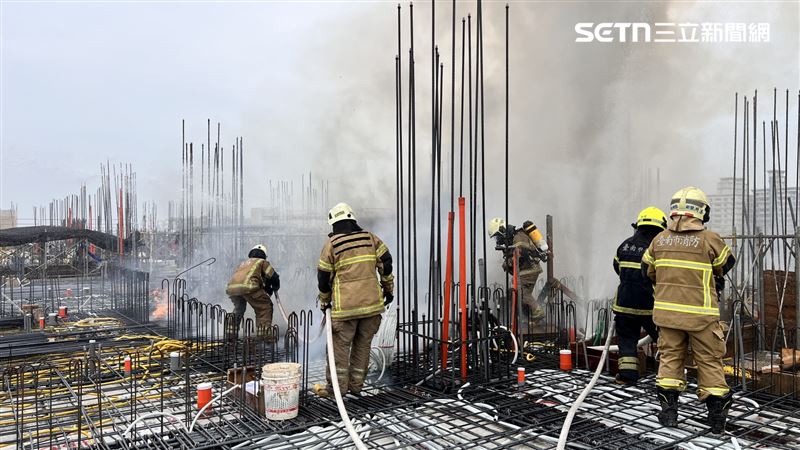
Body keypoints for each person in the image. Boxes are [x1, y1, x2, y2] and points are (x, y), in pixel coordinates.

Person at [642, 187, 736, 434]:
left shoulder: (659, 240)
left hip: (667, 317)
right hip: (701, 317)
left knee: (670, 364)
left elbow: (647, 271)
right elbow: (726, 264)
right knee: (709, 363)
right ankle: (717, 420)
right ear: (702, 212)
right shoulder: (709, 239)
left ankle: (670, 415)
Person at [315, 202, 393, 397]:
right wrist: (388, 289)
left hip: (346, 310)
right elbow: (386, 263)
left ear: (334, 224)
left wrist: (324, 300)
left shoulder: (332, 244)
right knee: (362, 347)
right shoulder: (370, 238)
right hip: (372, 307)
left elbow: (323, 277)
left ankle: (336, 391)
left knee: (339, 350)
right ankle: (356, 387)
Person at [612, 206, 666, 386]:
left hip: (624, 305)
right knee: (667, 342)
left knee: (627, 342)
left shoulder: (625, 245)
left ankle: (627, 377)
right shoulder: (658, 248)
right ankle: (669, 378)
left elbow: (617, 267)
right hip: (651, 306)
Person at [488, 218, 548, 322]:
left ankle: (538, 311)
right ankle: (531, 317)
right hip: (528, 269)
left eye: (497, 236)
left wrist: (507, 263)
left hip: (530, 269)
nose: (498, 240)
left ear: (502, 231)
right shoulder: (513, 238)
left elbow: (520, 254)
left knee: (521, 292)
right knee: (522, 296)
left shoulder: (518, 237)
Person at [225, 244, 280, 337]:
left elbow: (256, 278)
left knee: (239, 308)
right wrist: (275, 286)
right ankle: (264, 337)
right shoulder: (262, 262)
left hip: (232, 288)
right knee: (264, 307)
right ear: (264, 255)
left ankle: (230, 335)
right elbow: (274, 276)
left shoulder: (244, 263)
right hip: (248, 287)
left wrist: (267, 289)